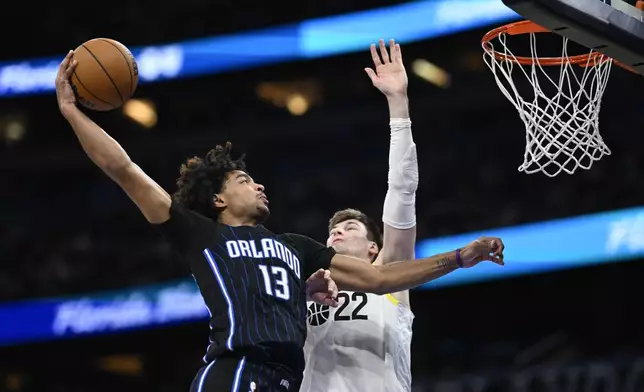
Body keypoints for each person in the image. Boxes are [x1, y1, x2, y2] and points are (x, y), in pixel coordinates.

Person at [54, 47, 505, 392]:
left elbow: (384, 275)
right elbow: (124, 169)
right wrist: (72, 112)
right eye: (245, 179)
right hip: (238, 367)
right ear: (217, 198)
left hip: (284, 380)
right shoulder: (200, 235)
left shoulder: (298, 250)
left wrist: (459, 258)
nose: (260, 185)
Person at [301, 39, 417, 392]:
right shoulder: (308, 287)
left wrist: (398, 103)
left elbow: (402, 190)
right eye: (333, 230)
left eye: (349, 227)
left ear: (373, 248)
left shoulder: (389, 276)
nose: (337, 232)